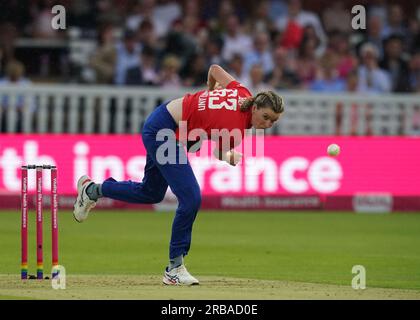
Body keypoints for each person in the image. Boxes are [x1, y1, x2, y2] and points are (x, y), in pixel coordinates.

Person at [73, 64, 285, 285]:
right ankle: (174, 267)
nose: (268, 124)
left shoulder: (243, 92)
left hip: (164, 118)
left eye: (273, 121)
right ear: (255, 107)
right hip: (164, 131)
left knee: (151, 193)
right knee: (191, 197)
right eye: (266, 116)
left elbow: (213, 68)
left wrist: (210, 90)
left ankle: (92, 189)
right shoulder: (237, 132)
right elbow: (218, 152)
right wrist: (231, 157)